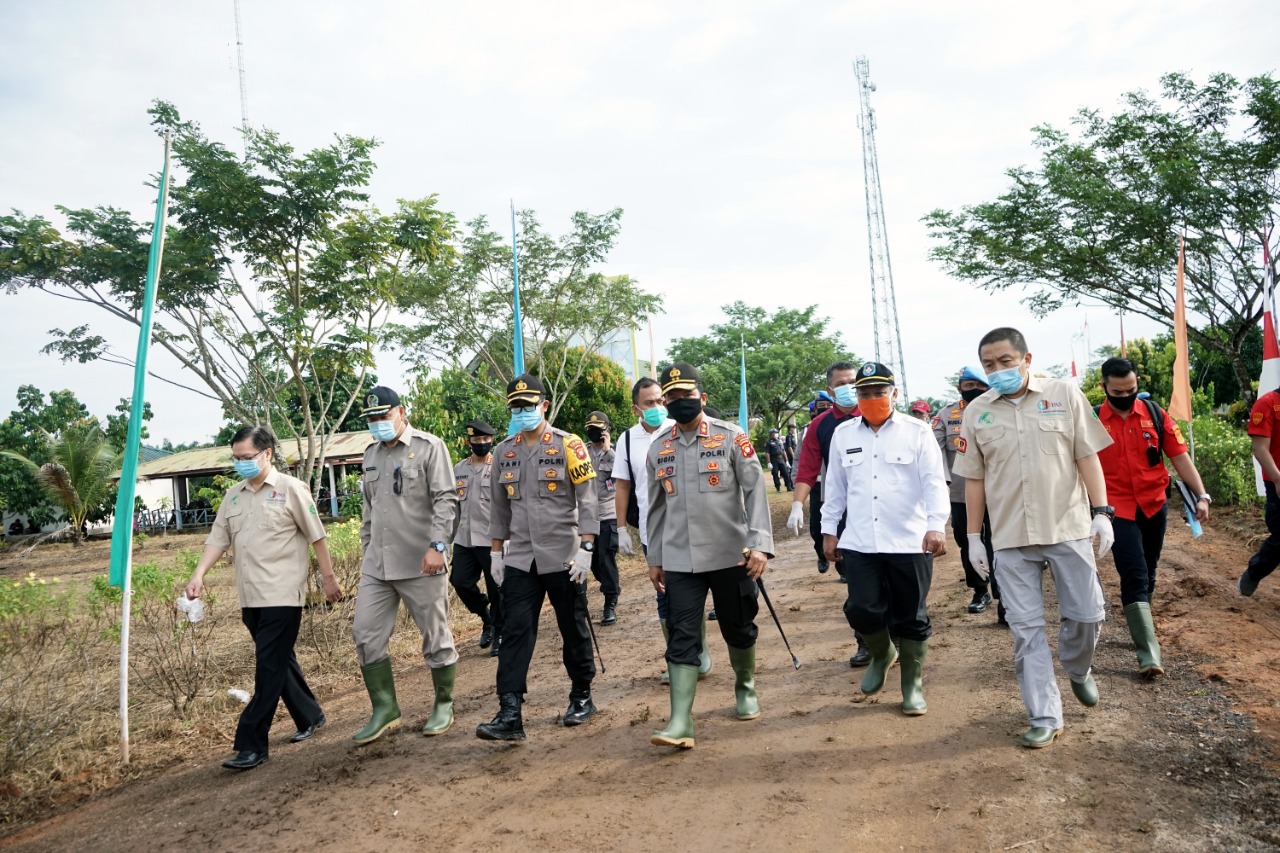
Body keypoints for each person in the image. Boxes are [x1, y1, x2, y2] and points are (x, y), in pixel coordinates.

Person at [953, 328, 1114, 749]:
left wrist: (1101, 512)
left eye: (1005, 361)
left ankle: (1078, 669)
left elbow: (1086, 454)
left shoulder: (1063, 393)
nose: (997, 371)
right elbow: (974, 478)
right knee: (1026, 630)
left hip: (1068, 527)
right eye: (989, 365)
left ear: (1026, 358)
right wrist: (973, 537)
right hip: (1009, 537)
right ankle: (1045, 714)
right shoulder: (978, 412)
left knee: (1087, 615)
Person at [185, 426, 341, 771]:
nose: (240, 463)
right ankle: (310, 715)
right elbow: (218, 539)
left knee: (267, 668)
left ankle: (251, 743)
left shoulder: (291, 490)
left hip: (283, 594)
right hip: (250, 597)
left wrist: (328, 578)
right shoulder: (234, 496)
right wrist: (198, 575)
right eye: (236, 458)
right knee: (279, 661)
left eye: (247, 457)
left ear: (267, 453)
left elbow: (317, 536)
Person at [646, 363, 774, 749]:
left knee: (737, 626)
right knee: (682, 635)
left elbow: (756, 493)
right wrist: (655, 557)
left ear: (701, 397)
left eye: (686, 395)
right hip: (681, 560)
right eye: (673, 397)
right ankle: (680, 721)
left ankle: (745, 685)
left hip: (731, 555)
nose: (679, 402)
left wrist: (761, 543)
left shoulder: (732, 438)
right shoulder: (659, 447)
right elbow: (654, 508)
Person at [476, 374, 599, 742]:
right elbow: (499, 508)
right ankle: (510, 711)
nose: (522, 412)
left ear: (543, 405)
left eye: (528, 406)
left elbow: (588, 499)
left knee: (571, 625)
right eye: (516, 407)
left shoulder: (569, 444)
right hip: (521, 559)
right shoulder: (503, 451)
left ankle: (581, 694)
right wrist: (496, 553)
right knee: (514, 630)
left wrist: (587, 547)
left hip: (564, 555)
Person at [822, 363, 948, 716]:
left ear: (895, 393)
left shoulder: (917, 432)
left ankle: (912, 684)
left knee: (911, 616)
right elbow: (835, 487)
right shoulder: (844, 435)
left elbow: (935, 482)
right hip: (860, 541)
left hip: (910, 541)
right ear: (855, 397)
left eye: (879, 392)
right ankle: (882, 653)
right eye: (864, 393)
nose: (872, 398)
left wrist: (936, 525)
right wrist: (829, 530)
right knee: (861, 608)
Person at [352, 386, 460, 744]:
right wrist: (367, 549)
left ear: (400, 411)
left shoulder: (429, 447)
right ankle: (385, 709)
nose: (377, 423)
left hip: (421, 562)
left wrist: (438, 546)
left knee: (435, 636)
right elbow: (369, 511)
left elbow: (446, 500)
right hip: (377, 566)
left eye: (383, 415)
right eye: (371, 418)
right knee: (366, 635)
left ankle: (443, 703)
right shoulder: (370, 455)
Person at [1096, 357, 1210, 676]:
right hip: (1116, 509)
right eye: (1118, 391)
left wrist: (1201, 494)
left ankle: (1141, 625)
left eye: (1131, 389)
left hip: (1154, 503)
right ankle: (1149, 653)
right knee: (1134, 573)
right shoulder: (1092, 421)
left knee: (1150, 568)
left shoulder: (1155, 414)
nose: (1126, 395)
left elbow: (1180, 459)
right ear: (1104, 387)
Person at [614, 377, 713, 682]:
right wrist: (619, 528)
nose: (657, 407)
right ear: (636, 408)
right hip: (653, 530)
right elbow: (622, 484)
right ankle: (679, 657)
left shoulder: (679, 428)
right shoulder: (627, 440)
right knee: (665, 594)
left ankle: (698, 649)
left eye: (660, 401)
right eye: (649, 403)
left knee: (692, 592)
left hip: (690, 526)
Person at [789, 362, 873, 665]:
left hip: (883, 511)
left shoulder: (876, 414)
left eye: (853, 381)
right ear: (830, 389)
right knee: (859, 584)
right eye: (842, 383)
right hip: (844, 514)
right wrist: (798, 504)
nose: (849, 387)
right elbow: (807, 469)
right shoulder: (820, 425)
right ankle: (866, 641)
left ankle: (899, 636)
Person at [933, 366, 1002, 619]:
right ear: (959, 387)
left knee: (999, 541)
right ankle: (979, 590)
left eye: (980, 386)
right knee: (967, 542)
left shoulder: (1000, 408)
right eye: (968, 386)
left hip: (998, 491)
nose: (974, 390)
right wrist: (943, 481)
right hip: (961, 492)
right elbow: (934, 451)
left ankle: (1003, 594)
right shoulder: (945, 415)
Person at [451, 419, 503, 656]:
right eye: (477, 440)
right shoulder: (459, 469)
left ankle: (500, 632)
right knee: (460, 581)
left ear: (491, 440)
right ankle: (486, 615)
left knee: (497, 589)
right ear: (469, 441)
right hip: (465, 539)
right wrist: (443, 541)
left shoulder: (499, 466)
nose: (481, 443)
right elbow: (453, 509)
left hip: (492, 539)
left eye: (485, 440)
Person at [1242, 381, 1280, 597]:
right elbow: (1260, 449)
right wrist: (1277, 478)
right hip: (1278, 482)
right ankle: (1255, 572)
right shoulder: (1267, 404)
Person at [584, 411, 622, 626]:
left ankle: (610, 603)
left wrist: (609, 450)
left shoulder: (616, 453)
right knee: (594, 564)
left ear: (608, 429)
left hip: (608, 514)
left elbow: (622, 477)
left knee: (606, 560)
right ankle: (613, 587)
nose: (594, 431)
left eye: (599, 428)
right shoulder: (582, 452)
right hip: (587, 516)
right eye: (591, 428)